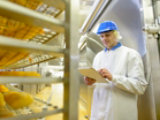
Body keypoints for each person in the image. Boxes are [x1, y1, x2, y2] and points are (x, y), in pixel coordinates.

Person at [84, 21, 148, 120]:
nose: (104, 39)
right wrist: (91, 81)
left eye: (107, 35)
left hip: (120, 114)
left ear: (116, 34)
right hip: (98, 113)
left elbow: (140, 86)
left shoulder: (130, 54)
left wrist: (113, 78)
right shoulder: (98, 57)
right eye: (101, 36)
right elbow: (100, 85)